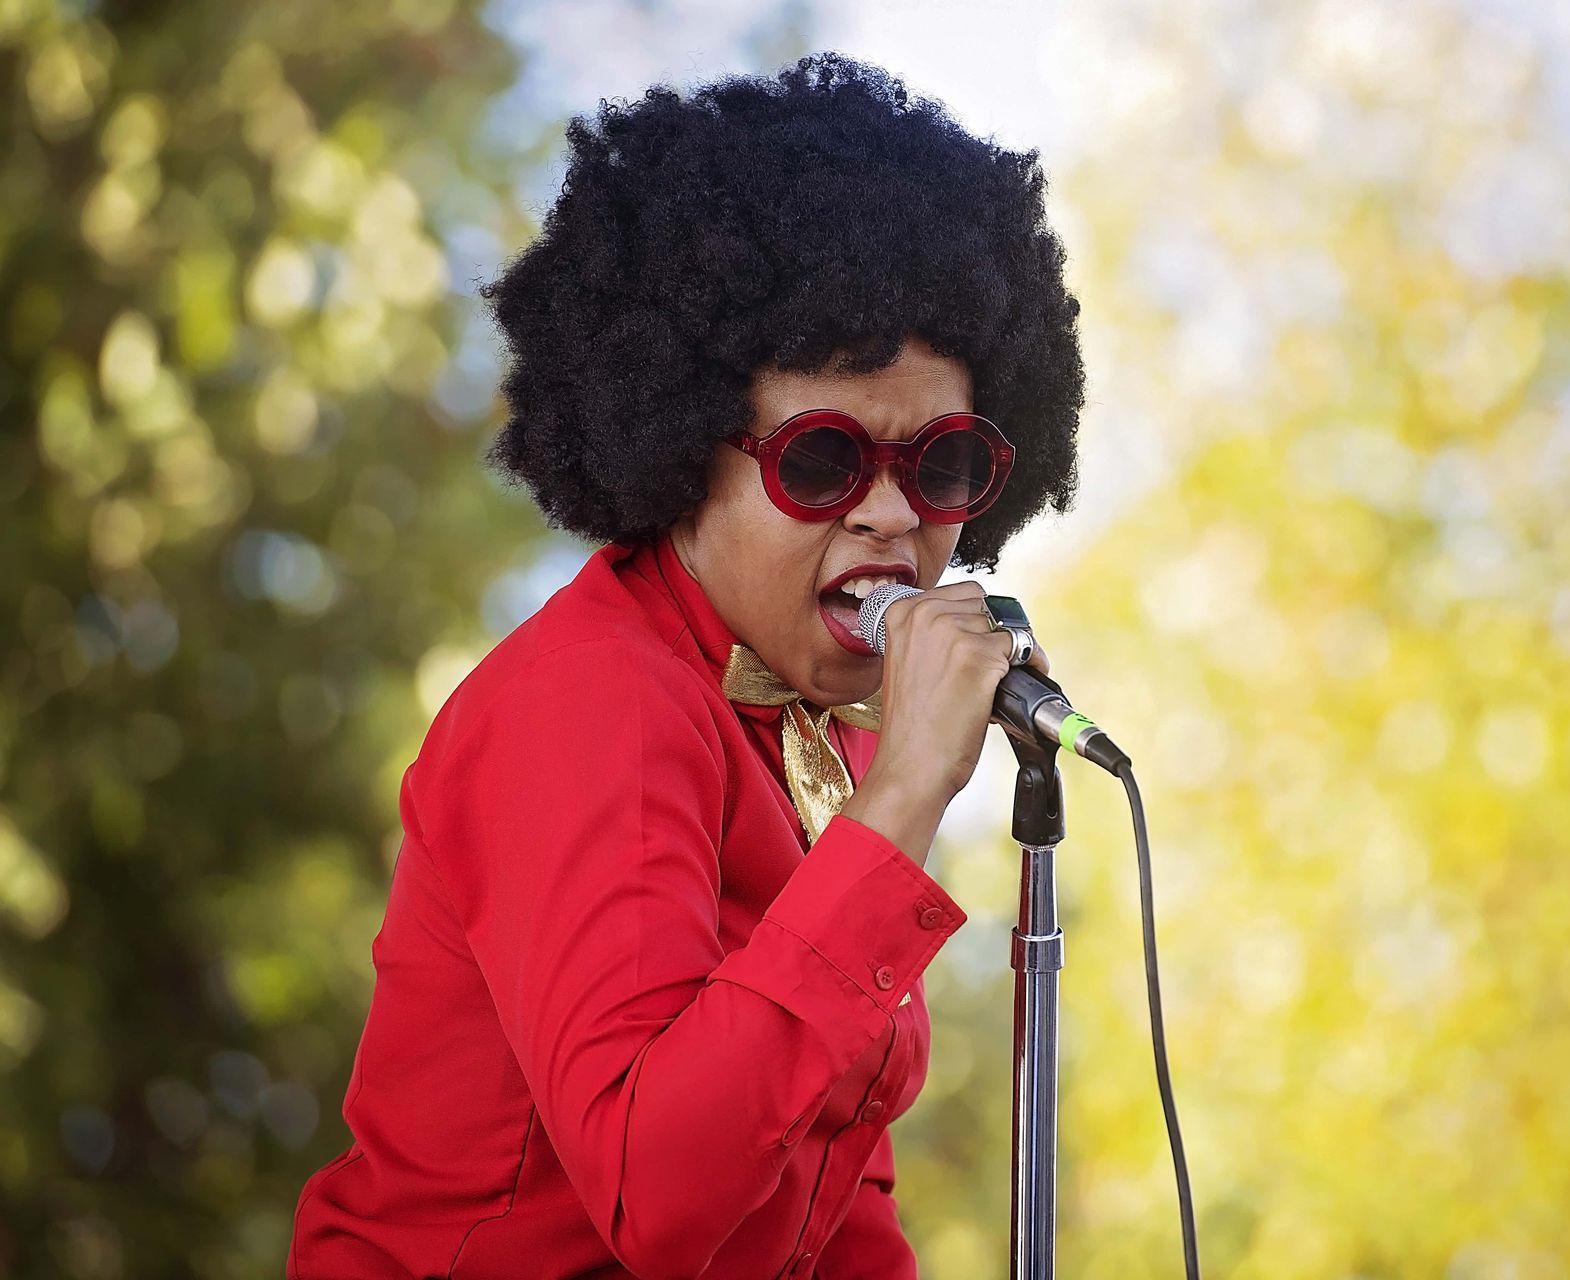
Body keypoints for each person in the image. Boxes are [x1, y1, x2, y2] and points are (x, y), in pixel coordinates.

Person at [288, 51, 1085, 1279]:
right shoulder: (595, 697)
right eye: (823, 460)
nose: (890, 517)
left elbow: (836, 1192)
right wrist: (905, 798)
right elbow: (658, 1190)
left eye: (938, 466)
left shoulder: (828, 736)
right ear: (676, 449)